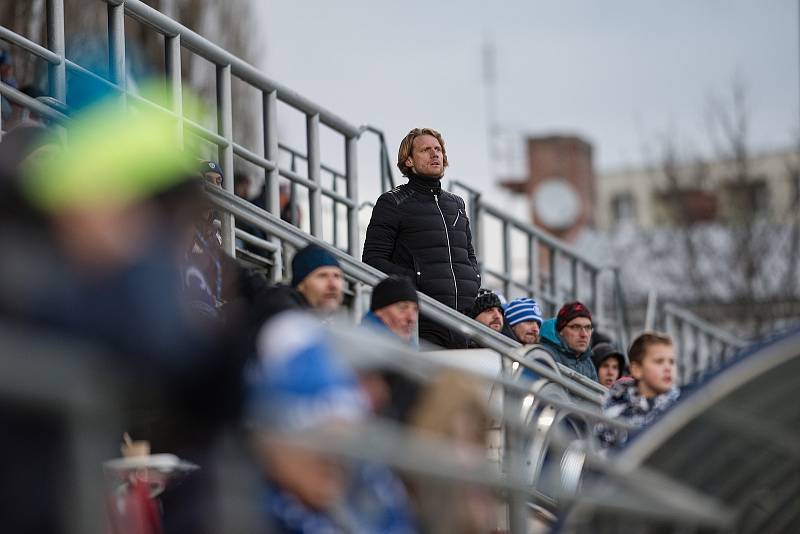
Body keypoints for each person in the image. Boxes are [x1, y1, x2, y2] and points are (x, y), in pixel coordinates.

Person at [246, 313, 418, 533]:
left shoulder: (371, 489)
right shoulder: (233, 506)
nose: (334, 461)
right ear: (273, 441)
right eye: (320, 443)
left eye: (342, 446)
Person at [362, 127, 479, 349]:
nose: (435, 154)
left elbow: (469, 254)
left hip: (464, 321)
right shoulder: (392, 202)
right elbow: (373, 260)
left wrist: (473, 278)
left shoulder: (457, 204)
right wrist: (415, 282)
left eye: (438, 149)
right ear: (408, 161)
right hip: (422, 321)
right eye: (426, 150)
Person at [596, 332, 680, 448]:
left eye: (672, 362)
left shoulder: (682, 404)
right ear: (637, 370)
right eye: (659, 361)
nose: (668, 368)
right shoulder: (615, 405)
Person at [538, 301, 598, 381]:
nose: (584, 334)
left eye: (587, 327)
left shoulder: (588, 362)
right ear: (561, 330)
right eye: (576, 327)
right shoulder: (545, 355)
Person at [362, 276, 419, 343]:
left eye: (415, 309)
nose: (412, 318)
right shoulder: (356, 346)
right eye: (402, 307)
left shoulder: (409, 347)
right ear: (379, 311)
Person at [290, 244, 344, 316]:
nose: (333, 285)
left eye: (337, 276)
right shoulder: (282, 318)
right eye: (322, 276)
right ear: (300, 285)